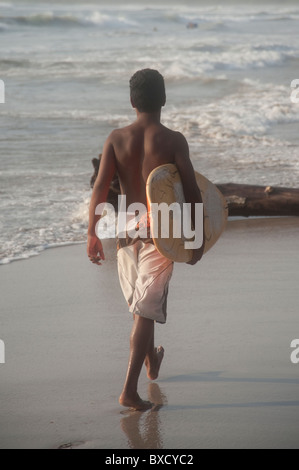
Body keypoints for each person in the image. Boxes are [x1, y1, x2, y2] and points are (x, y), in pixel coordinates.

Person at [87, 69, 204, 411]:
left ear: (131, 101)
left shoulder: (116, 138)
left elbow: (99, 187)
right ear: (163, 99)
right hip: (159, 237)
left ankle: (151, 359)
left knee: (142, 309)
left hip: (125, 234)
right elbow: (194, 192)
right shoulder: (173, 140)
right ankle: (129, 391)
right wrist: (196, 238)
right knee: (144, 311)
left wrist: (92, 233)